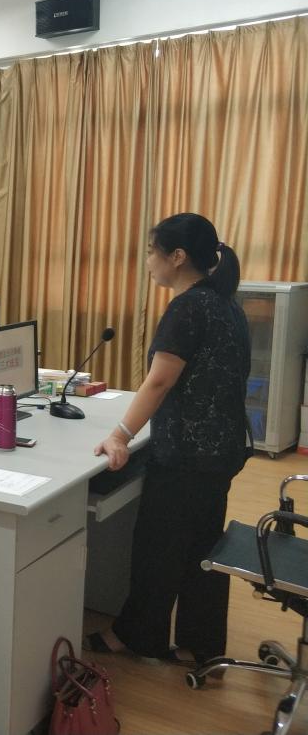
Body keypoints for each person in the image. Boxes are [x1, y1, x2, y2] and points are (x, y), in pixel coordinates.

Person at [86, 213, 251, 667]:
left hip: (187, 454)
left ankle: (136, 637)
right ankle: (201, 645)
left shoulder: (188, 307)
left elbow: (159, 381)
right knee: (203, 548)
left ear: (177, 257)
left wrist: (120, 435)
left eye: (151, 252)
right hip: (221, 449)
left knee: (158, 548)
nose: (147, 261)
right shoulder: (225, 302)